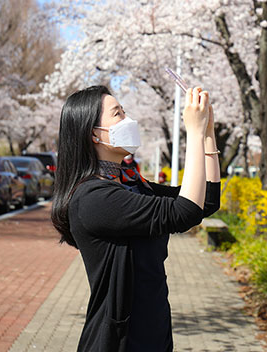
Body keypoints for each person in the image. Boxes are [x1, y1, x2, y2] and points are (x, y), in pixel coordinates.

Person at [51, 84, 222, 352]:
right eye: (118, 114)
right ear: (94, 134)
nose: (129, 120)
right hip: (119, 341)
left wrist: (207, 135)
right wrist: (194, 132)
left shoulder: (130, 184)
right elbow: (184, 212)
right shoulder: (93, 198)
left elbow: (205, 202)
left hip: (155, 332)